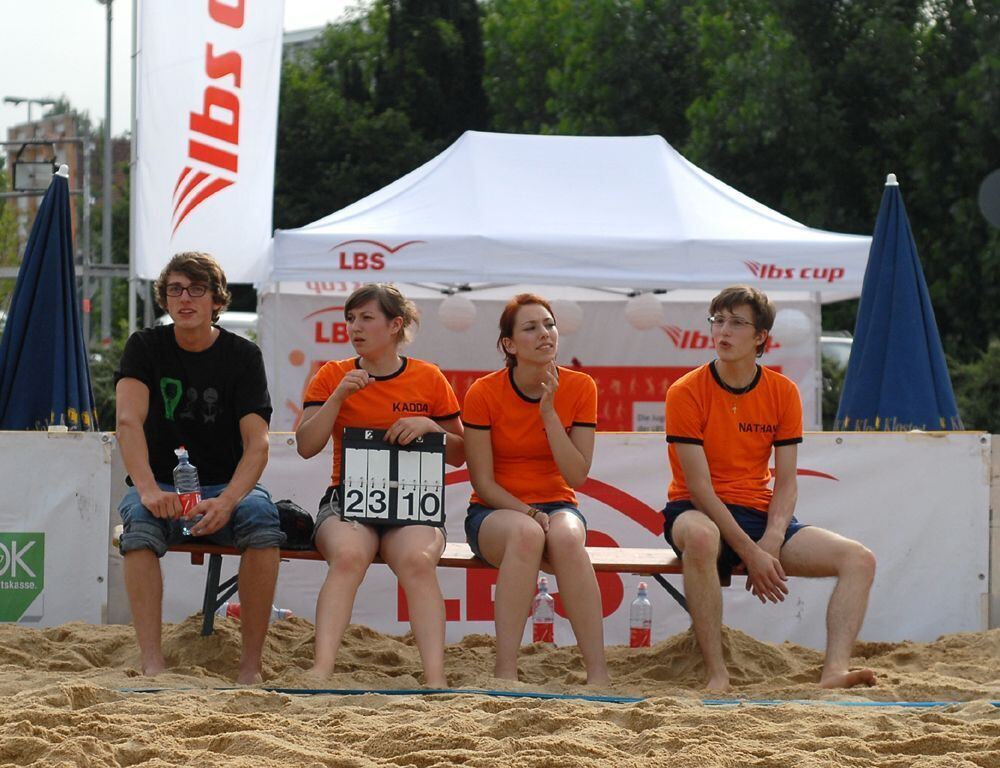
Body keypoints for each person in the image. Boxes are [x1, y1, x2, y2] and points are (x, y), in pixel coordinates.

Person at [663, 285, 877, 691]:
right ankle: (717, 675)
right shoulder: (685, 391)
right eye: (718, 321)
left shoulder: (782, 391)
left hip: (760, 514)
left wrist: (773, 540)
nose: (723, 331)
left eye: (736, 323)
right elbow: (700, 488)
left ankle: (833, 671)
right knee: (701, 536)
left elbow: (787, 481)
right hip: (697, 509)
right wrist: (750, 552)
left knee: (860, 560)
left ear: (761, 336)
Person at [115, 252, 284, 684]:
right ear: (164, 298)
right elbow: (128, 422)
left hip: (227, 482)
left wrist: (228, 500)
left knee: (264, 522)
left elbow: (257, 444)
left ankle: (250, 666)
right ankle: (152, 661)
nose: (184, 298)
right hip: (162, 483)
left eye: (196, 289)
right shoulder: (145, 346)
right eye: (174, 289)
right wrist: (149, 489)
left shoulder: (243, 355)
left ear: (216, 299)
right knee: (137, 526)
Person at [295, 284, 465, 687]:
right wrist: (337, 398)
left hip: (410, 504)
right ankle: (321, 670)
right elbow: (305, 446)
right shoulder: (333, 375)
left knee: (417, 561)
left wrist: (429, 427)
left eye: (366, 318)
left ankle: (435, 679)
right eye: (350, 319)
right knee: (350, 556)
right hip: (347, 501)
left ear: (395, 325)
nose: (355, 327)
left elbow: (461, 453)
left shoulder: (429, 377)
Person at [462, 294, 610, 684]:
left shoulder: (580, 386)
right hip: (494, 511)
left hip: (559, 502)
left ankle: (598, 674)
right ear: (509, 345)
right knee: (527, 534)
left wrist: (548, 414)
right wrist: (528, 513)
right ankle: (505, 672)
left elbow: (577, 476)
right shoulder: (483, 391)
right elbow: (483, 483)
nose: (545, 334)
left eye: (549, 324)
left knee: (566, 537)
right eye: (531, 327)